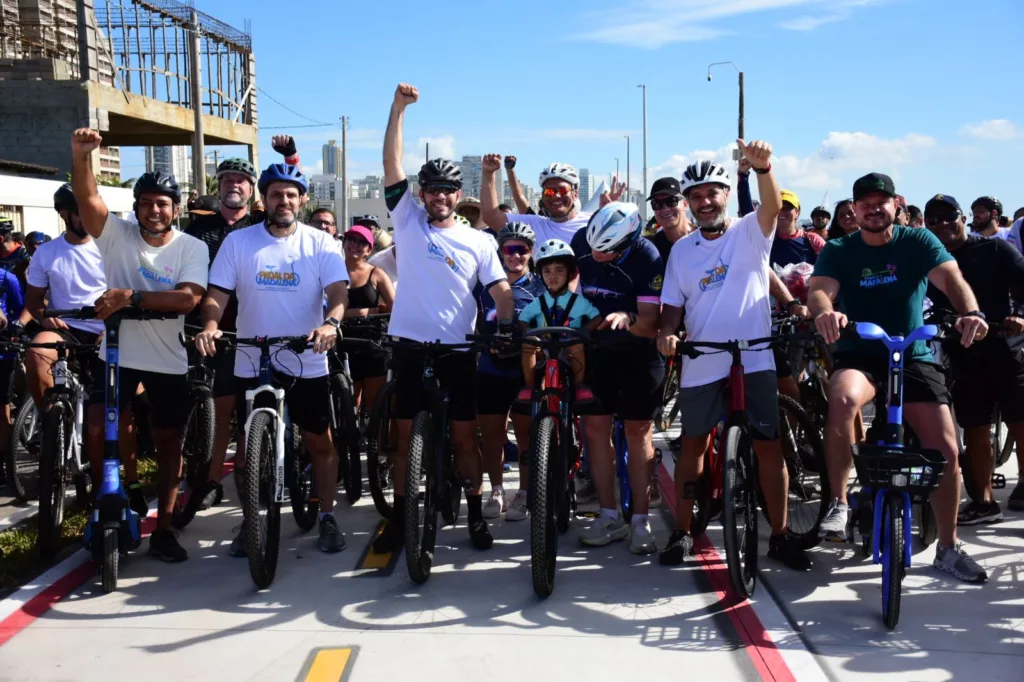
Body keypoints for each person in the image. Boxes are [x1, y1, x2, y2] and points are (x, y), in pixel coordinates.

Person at [810, 172, 989, 583]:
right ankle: (838, 503)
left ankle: (948, 547)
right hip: (862, 351)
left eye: (882, 201)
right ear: (854, 210)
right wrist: (825, 311)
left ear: (897, 205)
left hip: (913, 353)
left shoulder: (918, 241)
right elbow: (821, 289)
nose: (873, 209)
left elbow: (952, 279)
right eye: (865, 203)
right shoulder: (839, 248)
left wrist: (972, 313)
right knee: (841, 399)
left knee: (945, 447)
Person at [371, 83, 514, 554]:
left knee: (462, 438)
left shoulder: (478, 241)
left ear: (458, 195)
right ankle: (400, 511)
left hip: (457, 350)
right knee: (403, 437)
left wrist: (507, 327)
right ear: (422, 193)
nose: (440, 197)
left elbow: (499, 290)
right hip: (409, 346)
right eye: (431, 190)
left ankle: (474, 510)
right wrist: (399, 110)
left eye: (448, 191)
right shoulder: (407, 221)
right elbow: (392, 163)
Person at [656, 144, 811, 570]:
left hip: (754, 356)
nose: (705, 202)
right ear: (688, 202)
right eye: (696, 196)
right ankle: (684, 531)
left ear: (727, 194)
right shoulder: (682, 251)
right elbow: (671, 308)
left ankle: (779, 535)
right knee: (694, 447)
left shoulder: (750, 230)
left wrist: (762, 168)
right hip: (703, 358)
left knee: (769, 447)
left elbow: (774, 204)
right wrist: (667, 334)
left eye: (713, 193)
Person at [71, 127, 209, 563]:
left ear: (176, 209)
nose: (154, 210)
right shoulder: (117, 235)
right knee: (98, 424)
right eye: (146, 203)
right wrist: (81, 157)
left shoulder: (190, 247)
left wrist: (129, 297)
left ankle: (164, 527)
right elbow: (89, 199)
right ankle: (117, 492)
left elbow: (188, 299)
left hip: (166, 359)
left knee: (170, 442)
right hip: (116, 354)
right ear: (136, 208)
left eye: (162, 204)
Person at [196, 162, 350, 554]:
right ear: (263, 199)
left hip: (306, 355)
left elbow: (337, 292)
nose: (284, 201)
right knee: (250, 444)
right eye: (277, 194)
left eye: (291, 195)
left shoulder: (320, 243)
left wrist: (331, 323)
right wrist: (211, 324)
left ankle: (328, 516)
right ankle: (251, 522)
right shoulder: (239, 243)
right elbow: (216, 294)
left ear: (301, 201)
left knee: (319, 441)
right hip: (253, 353)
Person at [15, 184, 145, 515]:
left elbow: (130, 291)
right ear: (64, 215)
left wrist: (113, 327)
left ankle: (129, 482)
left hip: (108, 330)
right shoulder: (46, 253)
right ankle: (53, 423)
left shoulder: (111, 247)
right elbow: (34, 301)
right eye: (79, 212)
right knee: (36, 351)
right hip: (67, 329)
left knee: (118, 413)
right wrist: (46, 318)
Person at [570, 202, 664, 555]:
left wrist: (626, 316)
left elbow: (652, 320)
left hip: (640, 352)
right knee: (595, 430)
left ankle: (640, 520)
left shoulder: (647, 255)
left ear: (628, 242)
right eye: (592, 248)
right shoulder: (585, 243)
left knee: (637, 432)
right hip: (599, 353)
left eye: (606, 251)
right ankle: (608, 514)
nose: (596, 255)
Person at [922, 193, 1024, 517]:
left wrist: (1020, 314)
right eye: (933, 220)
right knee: (975, 428)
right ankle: (983, 502)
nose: (942, 224)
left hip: (1003, 346)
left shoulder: (994, 247)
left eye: (948, 216)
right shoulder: (927, 262)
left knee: (1020, 420)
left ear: (963, 218)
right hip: (960, 354)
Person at [180, 155, 264, 519]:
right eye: (227, 179)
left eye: (241, 180)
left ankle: (244, 473)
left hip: (252, 330)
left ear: (251, 188)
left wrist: (289, 156)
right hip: (207, 331)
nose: (234, 184)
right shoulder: (196, 230)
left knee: (249, 411)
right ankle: (211, 480)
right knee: (215, 411)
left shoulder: (262, 225)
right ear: (219, 185)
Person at [475, 222, 545, 521]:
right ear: (499, 251)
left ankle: (525, 493)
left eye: (522, 250)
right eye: (508, 249)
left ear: (531, 253)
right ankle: (497, 488)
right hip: (490, 369)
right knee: (493, 436)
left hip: (525, 371)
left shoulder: (540, 285)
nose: (514, 255)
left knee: (527, 437)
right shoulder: (483, 285)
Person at [518, 238, 600, 406]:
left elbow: (597, 317)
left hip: (569, 350)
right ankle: (529, 385)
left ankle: (579, 386)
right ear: (540, 274)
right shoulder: (539, 301)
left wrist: (585, 330)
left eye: (559, 270)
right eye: (546, 271)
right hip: (545, 348)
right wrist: (527, 332)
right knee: (529, 342)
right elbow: (523, 318)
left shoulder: (578, 301)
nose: (552, 276)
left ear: (570, 273)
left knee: (576, 344)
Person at [481, 154, 625, 245]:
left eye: (562, 191)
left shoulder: (591, 223)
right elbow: (491, 217)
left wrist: (610, 215)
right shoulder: (533, 225)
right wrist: (488, 173)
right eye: (549, 191)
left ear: (575, 194)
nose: (556, 196)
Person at [341, 223, 394, 417]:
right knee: (348, 402)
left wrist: (374, 310)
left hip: (372, 341)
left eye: (362, 242)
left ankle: (375, 445)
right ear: (344, 242)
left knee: (374, 404)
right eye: (351, 240)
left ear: (369, 249)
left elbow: (394, 307)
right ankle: (348, 443)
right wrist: (364, 311)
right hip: (341, 339)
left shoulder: (376, 273)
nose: (355, 245)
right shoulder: (331, 270)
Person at [645, 177, 694, 263]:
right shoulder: (650, 247)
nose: (665, 209)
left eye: (671, 201)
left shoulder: (706, 238)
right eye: (657, 204)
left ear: (685, 204)